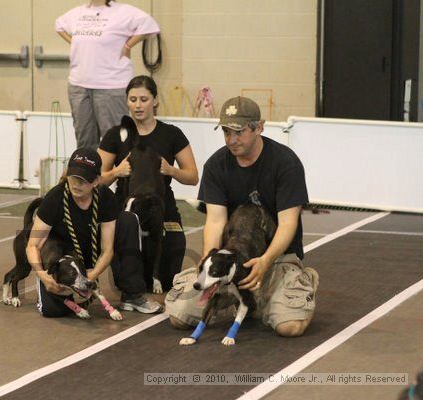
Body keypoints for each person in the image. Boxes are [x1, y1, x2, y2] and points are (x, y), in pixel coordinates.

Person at [168, 96, 319, 337]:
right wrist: (210, 259)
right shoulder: (217, 165)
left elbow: (288, 224)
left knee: (289, 327)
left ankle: (299, 280)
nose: (231, 139)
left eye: (239, 132)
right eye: (226, 132)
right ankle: (242, 298)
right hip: (228, 262)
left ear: (259, 127)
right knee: (179, 316)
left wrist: (266, 260)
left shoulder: (285, 163)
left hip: (275, 257)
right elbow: (215, 221)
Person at [98, 75, 199, 313]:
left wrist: (170, 169)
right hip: (126, 209)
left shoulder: (171, 134)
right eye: (132, 100)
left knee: (165, 280)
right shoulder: (116, 135)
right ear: (127, 102)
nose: (138, 105)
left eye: (144, 99)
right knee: (134, 278)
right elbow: (97, 179)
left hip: (162, 209)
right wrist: (117, 171)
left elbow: (193, 176)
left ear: (155, 101)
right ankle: (131, 279)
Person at [26, 148, 119, 318]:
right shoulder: (54, 198)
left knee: (127, 221)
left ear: (96, 181)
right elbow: (33, 245)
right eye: (73, 177)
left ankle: (131, 292)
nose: (77, 184)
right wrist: (43, 275)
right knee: (53, 311)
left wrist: (93, 273)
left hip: (88, 252)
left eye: (83, 180)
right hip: (60, 257)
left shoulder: (106, 198)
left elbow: (107, 248)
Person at [55, 0, 160, 149]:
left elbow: (151, 25)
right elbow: (59, 25)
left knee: (115, 138)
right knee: (84, 138)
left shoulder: (123, 12)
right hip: (79, 83)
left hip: (111, 84)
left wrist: (128, 45)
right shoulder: (78, 13)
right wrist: (74, 43)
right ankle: (89, 171)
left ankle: (117, 171)